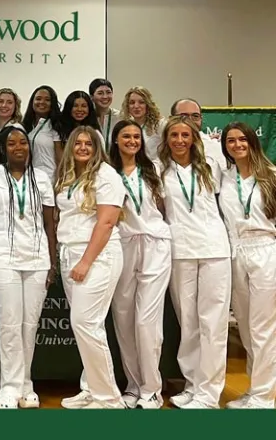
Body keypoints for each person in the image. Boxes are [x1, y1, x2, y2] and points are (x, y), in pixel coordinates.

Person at [0, 124, 56, 409]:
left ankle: (26, 384)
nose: (18, 147)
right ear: (4, 148)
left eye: (23, 142)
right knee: (11, 324)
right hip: (3, 257)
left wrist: (52, 261)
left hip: (37, 259)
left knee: (30, 324)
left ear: (29, 147)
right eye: (11, 143)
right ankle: (9, 388)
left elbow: (49, 222)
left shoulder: (42, 177)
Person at [158, 115, 231, 409]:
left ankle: (209, 392)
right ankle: (192, 384)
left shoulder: (211, 168)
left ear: (194, 138)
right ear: (167, 140)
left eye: (185, 135)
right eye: (174, 135)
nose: (179, 140)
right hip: (180, 250)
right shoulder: (160, 170)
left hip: (214, 249)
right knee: (188, 323)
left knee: (212, 323)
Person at [55, 125, 126, 409]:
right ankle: (92, 387)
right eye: (78, 143)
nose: (83, 148)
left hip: (97, 256)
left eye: (89, 143)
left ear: (98, 148)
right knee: (87, 326)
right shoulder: (69, 175)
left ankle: (108, 398)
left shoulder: (106, 175)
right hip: (69, 253)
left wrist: (86, 260)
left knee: (85, 323)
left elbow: (107, 222)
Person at [108, 120, 172, 409]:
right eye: (126, 136)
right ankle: (133, 386)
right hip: (122, 245)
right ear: (116, 140)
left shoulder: (154, 169)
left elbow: (162, 208)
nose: (132, 141)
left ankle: (151, 389)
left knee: (147, 321)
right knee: (123, 320)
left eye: (136, 136)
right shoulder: (107, 172)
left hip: (155, 245)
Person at [218, 121, 276, 409]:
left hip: (266, 248)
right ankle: (256, 388)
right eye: (230, 141)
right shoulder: (225, 179)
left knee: (264, 326)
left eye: (242, 139)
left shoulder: (271, 175)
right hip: (235, 251)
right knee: (246, 327)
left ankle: (264, 397)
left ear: (252, 142)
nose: (237, 145)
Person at [21, 85, 65, 183]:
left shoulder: (56, 127)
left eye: (47, 100)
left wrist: (58, 184)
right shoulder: (26, 126)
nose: (42, 102)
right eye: (38, 99)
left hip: (49, 180)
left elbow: (61, 161)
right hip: (29, 180)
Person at [170, 98, 226, 169]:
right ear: (171, 119)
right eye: (183, 116)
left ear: (201, 119)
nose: (190, 120)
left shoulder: (215, 148)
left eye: (195, 116)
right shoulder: (162, 148)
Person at [119, 86, 165, 160]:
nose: (136, 106)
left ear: (148, 104)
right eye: (132, 102)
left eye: (141, 102)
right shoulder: (125, 126)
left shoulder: (160, 124)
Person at [0, 88, 22, 166]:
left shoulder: (16, 129)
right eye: (0, 101)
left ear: (15, 106)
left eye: (9, 102)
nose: (4, 105)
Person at [90, 78, 120, 150]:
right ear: (92, 97)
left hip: (115, 160)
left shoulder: (120, 117)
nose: (105, 97)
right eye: (100, 93)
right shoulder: (87, 117)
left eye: (108, 92)